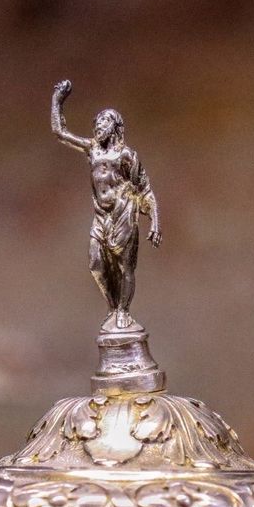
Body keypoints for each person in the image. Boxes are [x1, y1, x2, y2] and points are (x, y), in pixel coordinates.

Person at [51, 79, 162, 331]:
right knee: (96, 264)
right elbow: (60, 133)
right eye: (96, 123)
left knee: (125, 267)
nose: (97, 126)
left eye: (102, 122)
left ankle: (123, 311)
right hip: (101, 217)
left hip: (123, 215)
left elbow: (144, 188)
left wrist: (155, 222)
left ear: (114, 126)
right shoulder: (92, 149)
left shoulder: (126, 155)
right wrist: (57, 100)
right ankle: (113, 308)